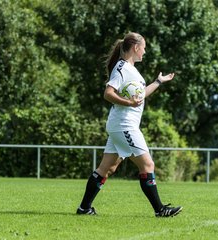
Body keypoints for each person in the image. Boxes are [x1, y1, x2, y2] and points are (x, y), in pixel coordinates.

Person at [76, 32, 183, 217]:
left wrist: (158, 81)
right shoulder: (121, 67)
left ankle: (84, 208)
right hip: (124, 125)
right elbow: (108, 93)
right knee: (148, 165)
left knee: (107, 168)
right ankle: (160, 210)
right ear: (136, 47)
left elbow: (139, 97)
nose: (145, 51)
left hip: (121, 125)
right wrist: (128, 103)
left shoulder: (132, 70)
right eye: (144, 47)